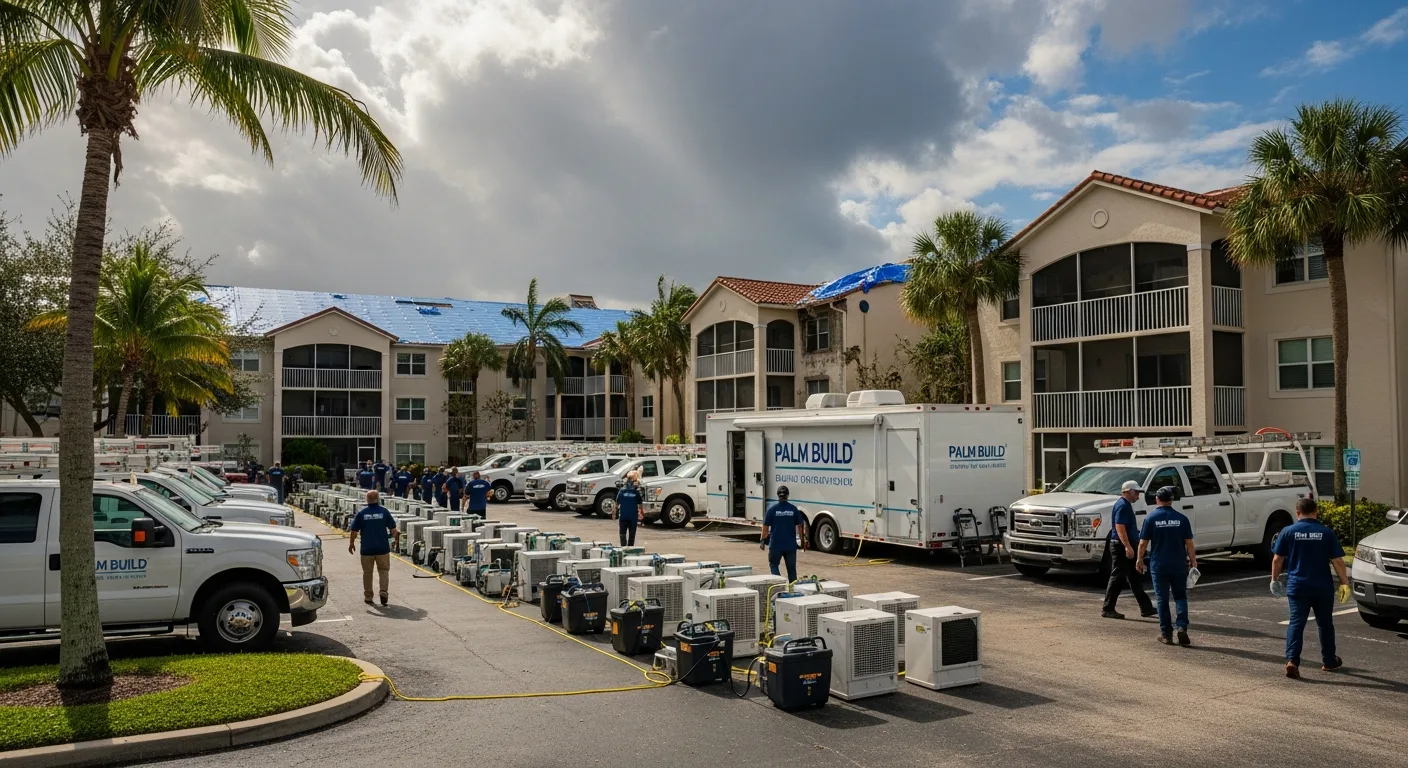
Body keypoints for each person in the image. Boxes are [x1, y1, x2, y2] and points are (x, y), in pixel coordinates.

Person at [1273, 498, 1349, 678]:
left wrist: (1274, 580)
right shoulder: (1326, 533)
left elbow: (1277, 559)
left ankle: (1292, 660)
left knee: (1296, 623)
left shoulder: (1288, 532)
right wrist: (1344, 582)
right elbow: (1337, 561)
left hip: (1298, 586)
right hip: (1322, 586)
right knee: (1325, 624)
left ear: (1297, 512)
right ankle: (1329, 660)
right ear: (1316, 511)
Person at [1137, 486, 1197, 646]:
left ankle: (1166, 634)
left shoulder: (1150, 518)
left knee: (1162, 599)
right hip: (1178, 564)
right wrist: (1193, 560)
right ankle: (1182, 627)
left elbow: (1143, 543)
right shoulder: (1182, 519)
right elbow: (1189, 543)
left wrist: (1139, 559)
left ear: (1157, 499)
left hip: (1159, 564)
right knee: (1180, 596)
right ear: (1171, 500)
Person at [1102, 480, 1156, 620]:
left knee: (1134, 577)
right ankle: (1108, 608)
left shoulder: (1125, 505)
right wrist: (1127, 546)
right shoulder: (1123, 506)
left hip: (1126, 544)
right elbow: (1119, 526)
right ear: (1128, 491)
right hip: (1121, 546)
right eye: (1136, 492)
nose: (1138, 495)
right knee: (1118, 576)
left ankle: (1146, 607)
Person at [349, 490, 399, 606]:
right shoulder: (384, 512)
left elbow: (354, 531)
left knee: (367, 573)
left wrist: (351, 543)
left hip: (366, 549)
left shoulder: (362, 513)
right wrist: (396, 540)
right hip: (382, 548)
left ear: (367, 500)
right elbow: (393, 530)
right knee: (383, 571)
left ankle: (368, 596)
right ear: (378, 499)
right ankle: (383, 592)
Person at [760, 485, 806, 582]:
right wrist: (802, 542)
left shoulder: (772, 510)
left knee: (773, 565)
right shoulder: (793, 509)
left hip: (776, 545)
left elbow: (765, 528)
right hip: (790, 545)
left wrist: (762, 540)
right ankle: (793, 589)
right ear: (787, 495)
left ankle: (779, 584)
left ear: (778, 496)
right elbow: (800, 526)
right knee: (791, 569)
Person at [613, 471, 643, 546]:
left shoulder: (622, 491)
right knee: (631, 535)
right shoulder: (636, 492)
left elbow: (617, 503)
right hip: (632, 517)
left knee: (622, 534)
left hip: (624, 516)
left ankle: (624, 548)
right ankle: (630, 549)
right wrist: (642, 513)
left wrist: (614, 513)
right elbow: (640, 505)